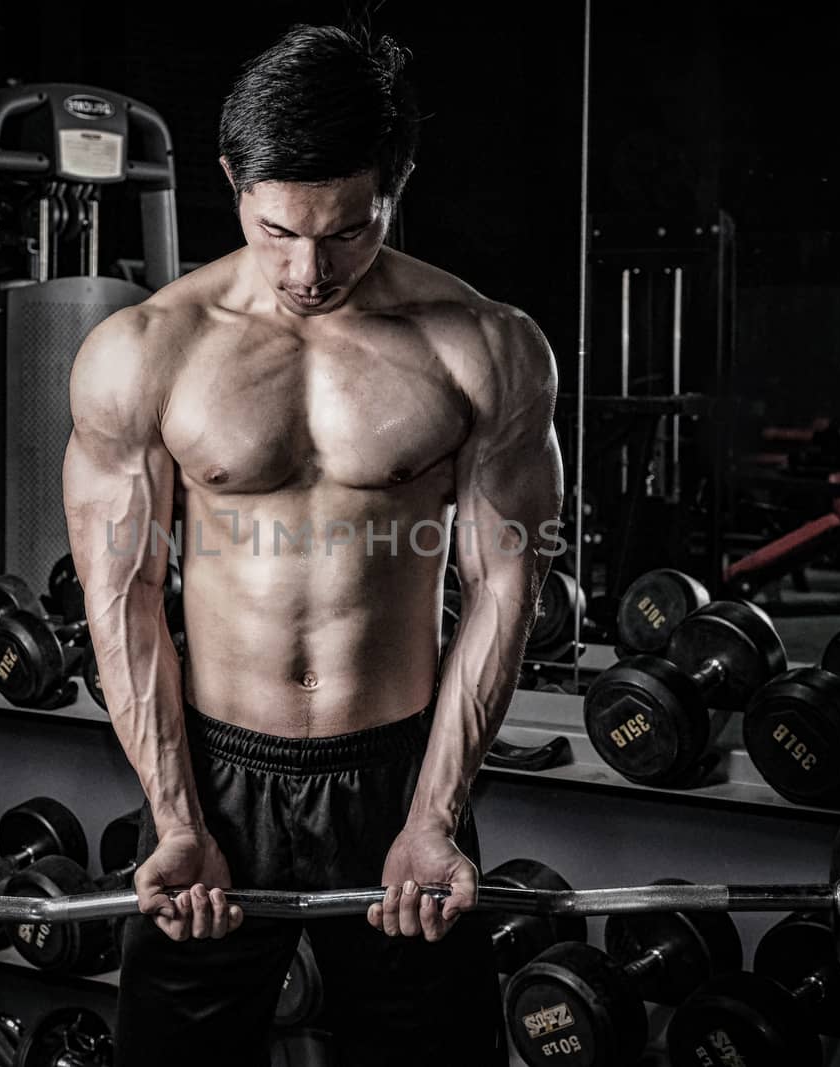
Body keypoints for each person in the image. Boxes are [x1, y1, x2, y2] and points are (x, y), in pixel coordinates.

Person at [62, 23, 561, 1066]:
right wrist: (174, 815)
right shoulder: (146, 350)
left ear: (396, 182)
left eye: (346, 231)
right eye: (276, 227)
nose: (306, 268)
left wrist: (436, 812)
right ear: (231, 179)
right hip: (215, 772)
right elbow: (125, 596)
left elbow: (502, 585)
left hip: (398, 766)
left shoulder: (482, 346)